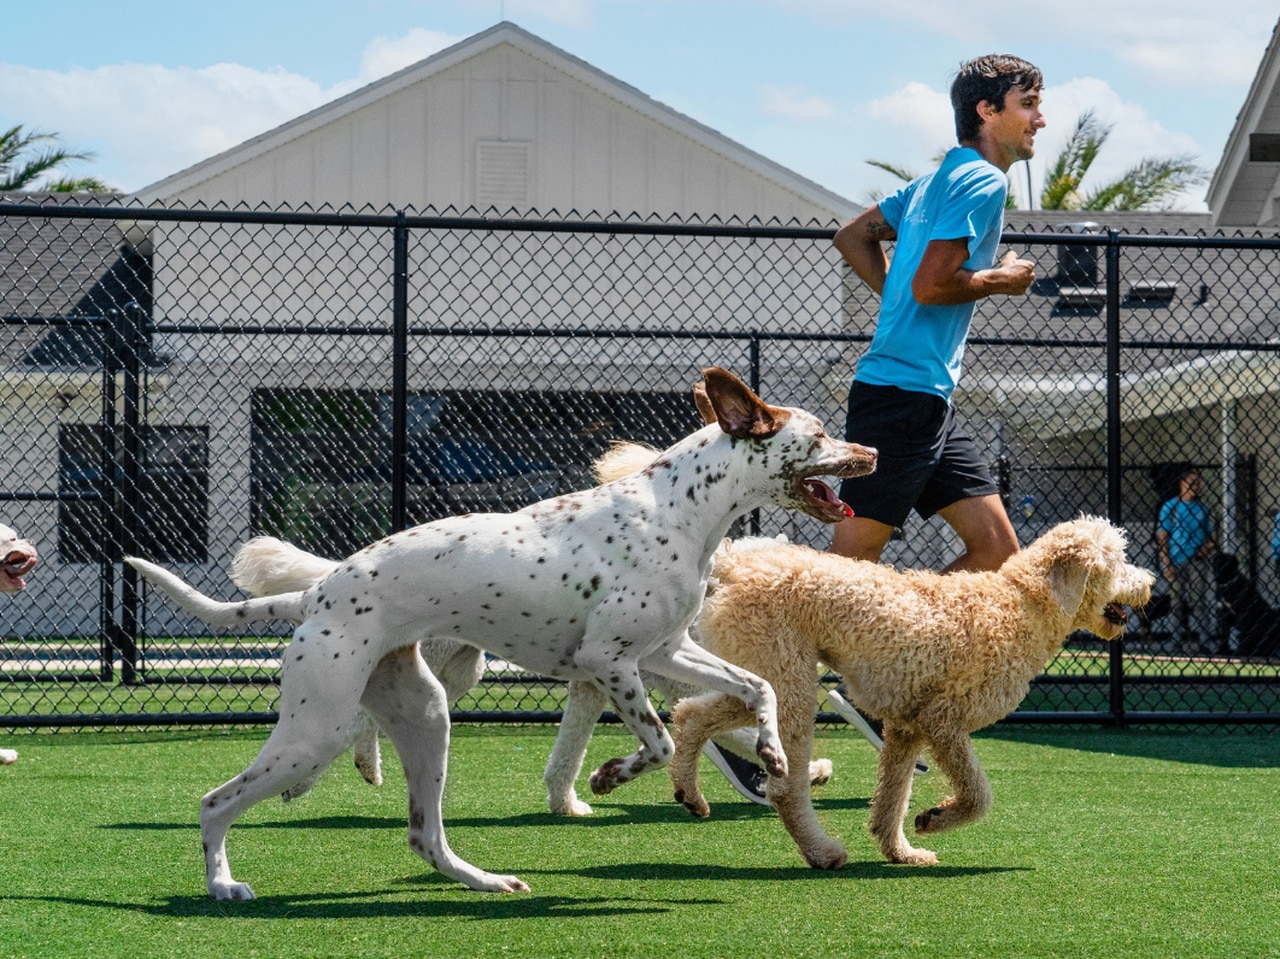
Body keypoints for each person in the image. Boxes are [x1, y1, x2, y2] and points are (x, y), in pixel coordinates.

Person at [830, 53, 1044, 572]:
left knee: (998, 554)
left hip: (928, 403)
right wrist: (1001, 280)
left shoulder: (932, 183)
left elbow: (853, 237)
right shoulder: (983, 182)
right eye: (1029, 105)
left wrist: (898, 297)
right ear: (987, 110)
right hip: (900, 402)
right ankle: (775, 645)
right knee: (845, 567)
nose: (1040, 119)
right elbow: (930, 286)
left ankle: (911, 643)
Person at [1156, 469, 1216, 651]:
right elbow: (1163, 536)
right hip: (1176, 558)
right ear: (1182, 483)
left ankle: (1203, 641)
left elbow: (1211, 537)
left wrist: (1206, 549)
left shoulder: (1202, 509)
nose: (1195, 487)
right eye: (1191, 482)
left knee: (1199, 601)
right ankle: (1175, 640)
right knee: (1176, 602)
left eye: (1197, 483)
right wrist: (1166, 561)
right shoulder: (1171, 507)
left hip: (1197, 559)